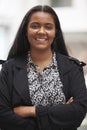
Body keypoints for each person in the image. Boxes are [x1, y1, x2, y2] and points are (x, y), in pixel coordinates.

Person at [0, 5, 87, 130]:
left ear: (55, 31)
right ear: (26, 30)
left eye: (48, 27)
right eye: (35, 26)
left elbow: (78, 113)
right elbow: (3, 117)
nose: (41, 31)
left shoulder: (72, 68)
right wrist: (61, 113)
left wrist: (32, 111)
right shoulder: (9, 69)